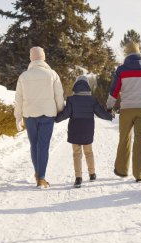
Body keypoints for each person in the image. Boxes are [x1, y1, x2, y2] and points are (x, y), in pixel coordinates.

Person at [106, 41, 141, 182]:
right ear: (139, 52)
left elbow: (114, 90)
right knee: (140, 141)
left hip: (126, 110)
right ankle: (140, 174)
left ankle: (122, 170)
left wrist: (109, 106)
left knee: (124, 138)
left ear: (127, 53)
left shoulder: (121, 70)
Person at [14, 46, 64, 188]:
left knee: (34, 145)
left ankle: (38, 174)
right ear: (43, 58)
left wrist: (18, 117)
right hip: (48, 114)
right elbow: (58, 95)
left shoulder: (23, 76)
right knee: (43, 145)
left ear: (31, 58)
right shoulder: (52, 74)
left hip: (29, 115)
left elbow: (18, 98)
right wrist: (60, 110)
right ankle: (41, 177)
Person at [56, 75, 113, 188]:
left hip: (75, 128)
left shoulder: (71, 99)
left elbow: (66, 113)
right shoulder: (92, 100)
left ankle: (78, 178)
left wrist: (56, 119)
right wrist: (109, 116)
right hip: (87, 128)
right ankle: (92, 174)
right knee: (88, 152)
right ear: (87, 86)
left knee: (77, 154)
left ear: (76, 86)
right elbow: (100, 113)